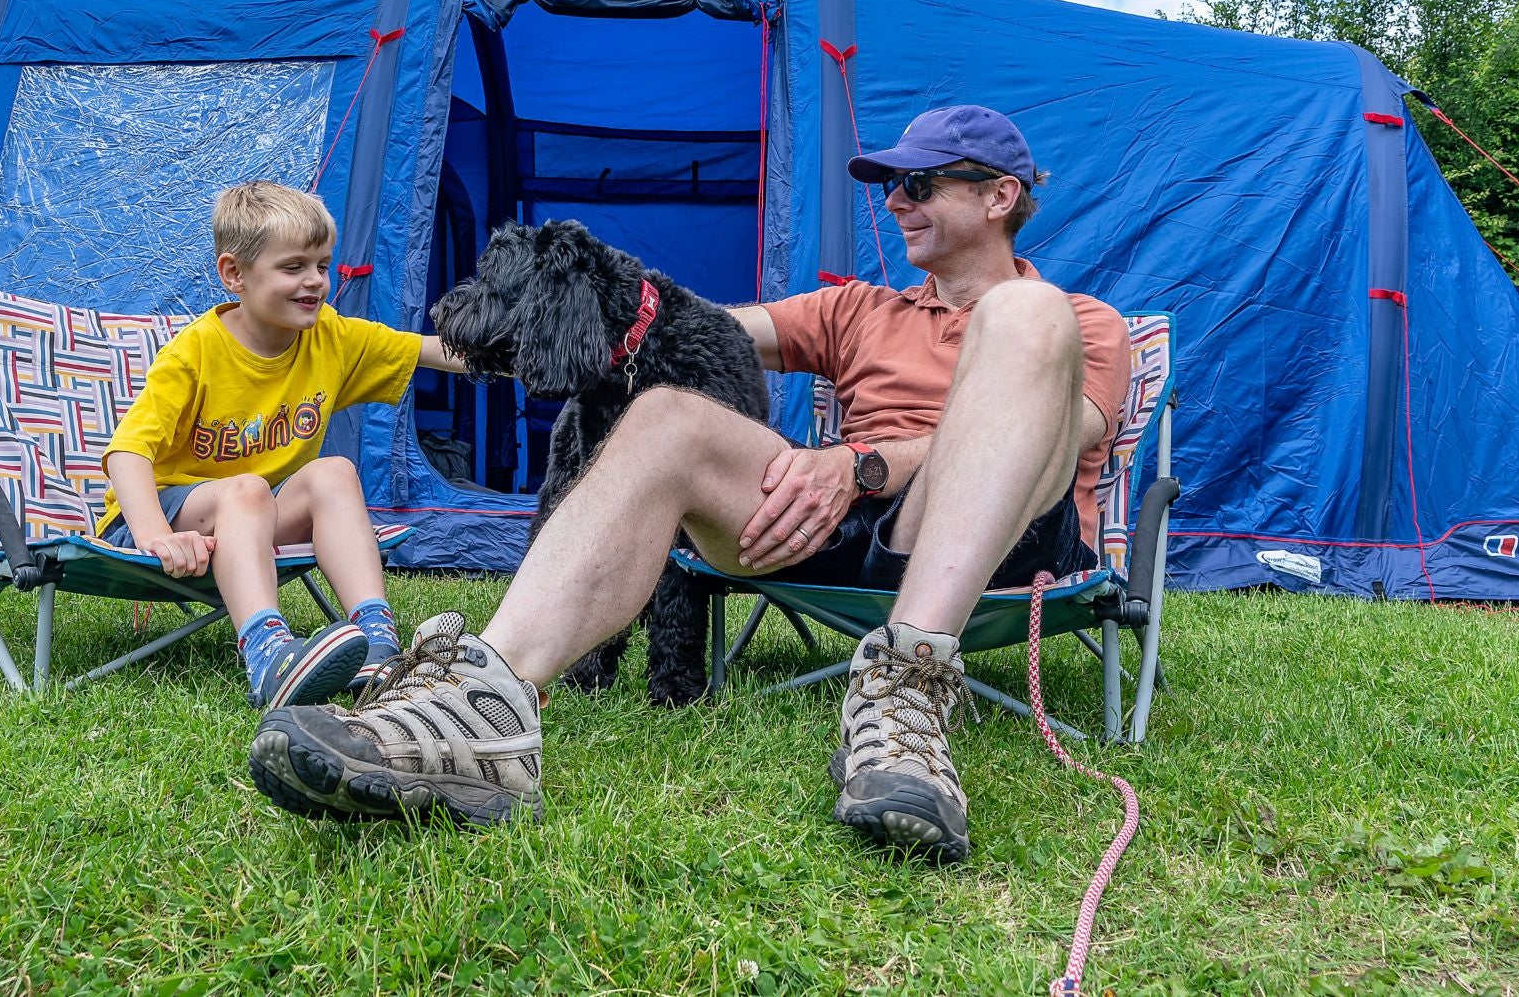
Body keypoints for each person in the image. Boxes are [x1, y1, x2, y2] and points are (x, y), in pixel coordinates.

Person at [246, 106, 1127, 863]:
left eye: (919, 185)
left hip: (1001, 536)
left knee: (1023, 309)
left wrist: (861, 463)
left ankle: (905, 689)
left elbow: (1061, 436)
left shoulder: (1075, 323)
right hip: (844, 533)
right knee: (668, 411)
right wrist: (544, 297)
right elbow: (673, 319)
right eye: (891, 186)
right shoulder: (859, 309)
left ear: (998, 196)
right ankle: (483, 705)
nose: (895, 201)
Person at [102, 180, 467, 708]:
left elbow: (433, 351)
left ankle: (378, 641)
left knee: (334, 472)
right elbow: (128, 453)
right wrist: (155, 534)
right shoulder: (195, 353)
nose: (315, 280)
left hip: (252, 518)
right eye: (293, 267)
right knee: (247, 489)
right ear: (235, 274)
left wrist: (541, 352)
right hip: (161, 516)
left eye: (322, 265)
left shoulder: (331, 338)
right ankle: (268, 655)